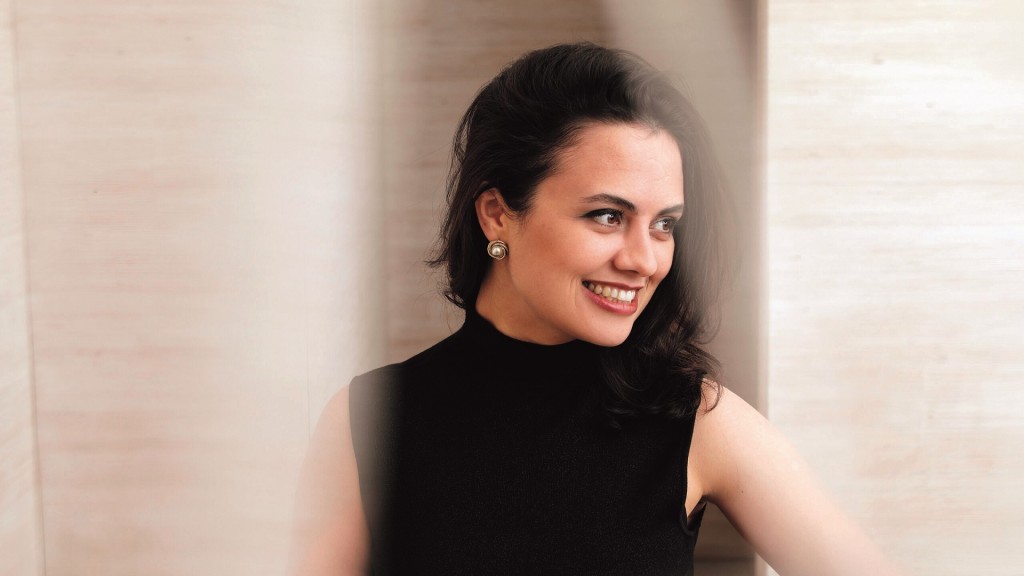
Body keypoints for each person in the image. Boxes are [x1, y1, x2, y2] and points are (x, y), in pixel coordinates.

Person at [291, 42, 904, 576]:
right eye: (608, 216)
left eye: (664, 224)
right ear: (497, 214)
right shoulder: (367, 419)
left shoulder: (697, 419)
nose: (644, 260)